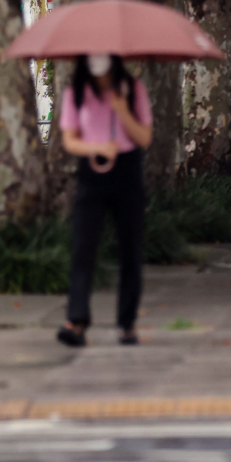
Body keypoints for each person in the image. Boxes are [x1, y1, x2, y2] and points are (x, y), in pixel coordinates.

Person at [56, 53, 153, 348]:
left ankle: (127, 324)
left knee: (130, 251)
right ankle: (76, 320)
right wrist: (96, 146)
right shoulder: (76, 93)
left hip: (127, 172)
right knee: (83, 247)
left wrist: (122, 110)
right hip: (92, 172)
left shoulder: (133, 89)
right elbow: (69, 139)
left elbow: (144, 137)